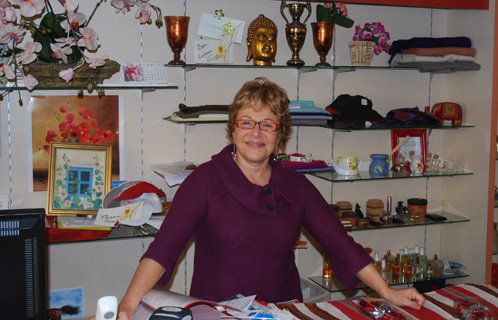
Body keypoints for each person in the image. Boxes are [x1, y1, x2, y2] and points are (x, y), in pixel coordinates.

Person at [105, 77, 425, 320]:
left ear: (280, 134)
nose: (256, 133)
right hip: (218, 314)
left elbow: (340, 244)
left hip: (282, 312)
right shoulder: (204, 180)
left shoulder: (296, 186)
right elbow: (164, 248)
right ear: (233, 128)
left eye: (267, 124)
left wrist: (386, 291)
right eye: (247, 122)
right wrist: (129, 304)